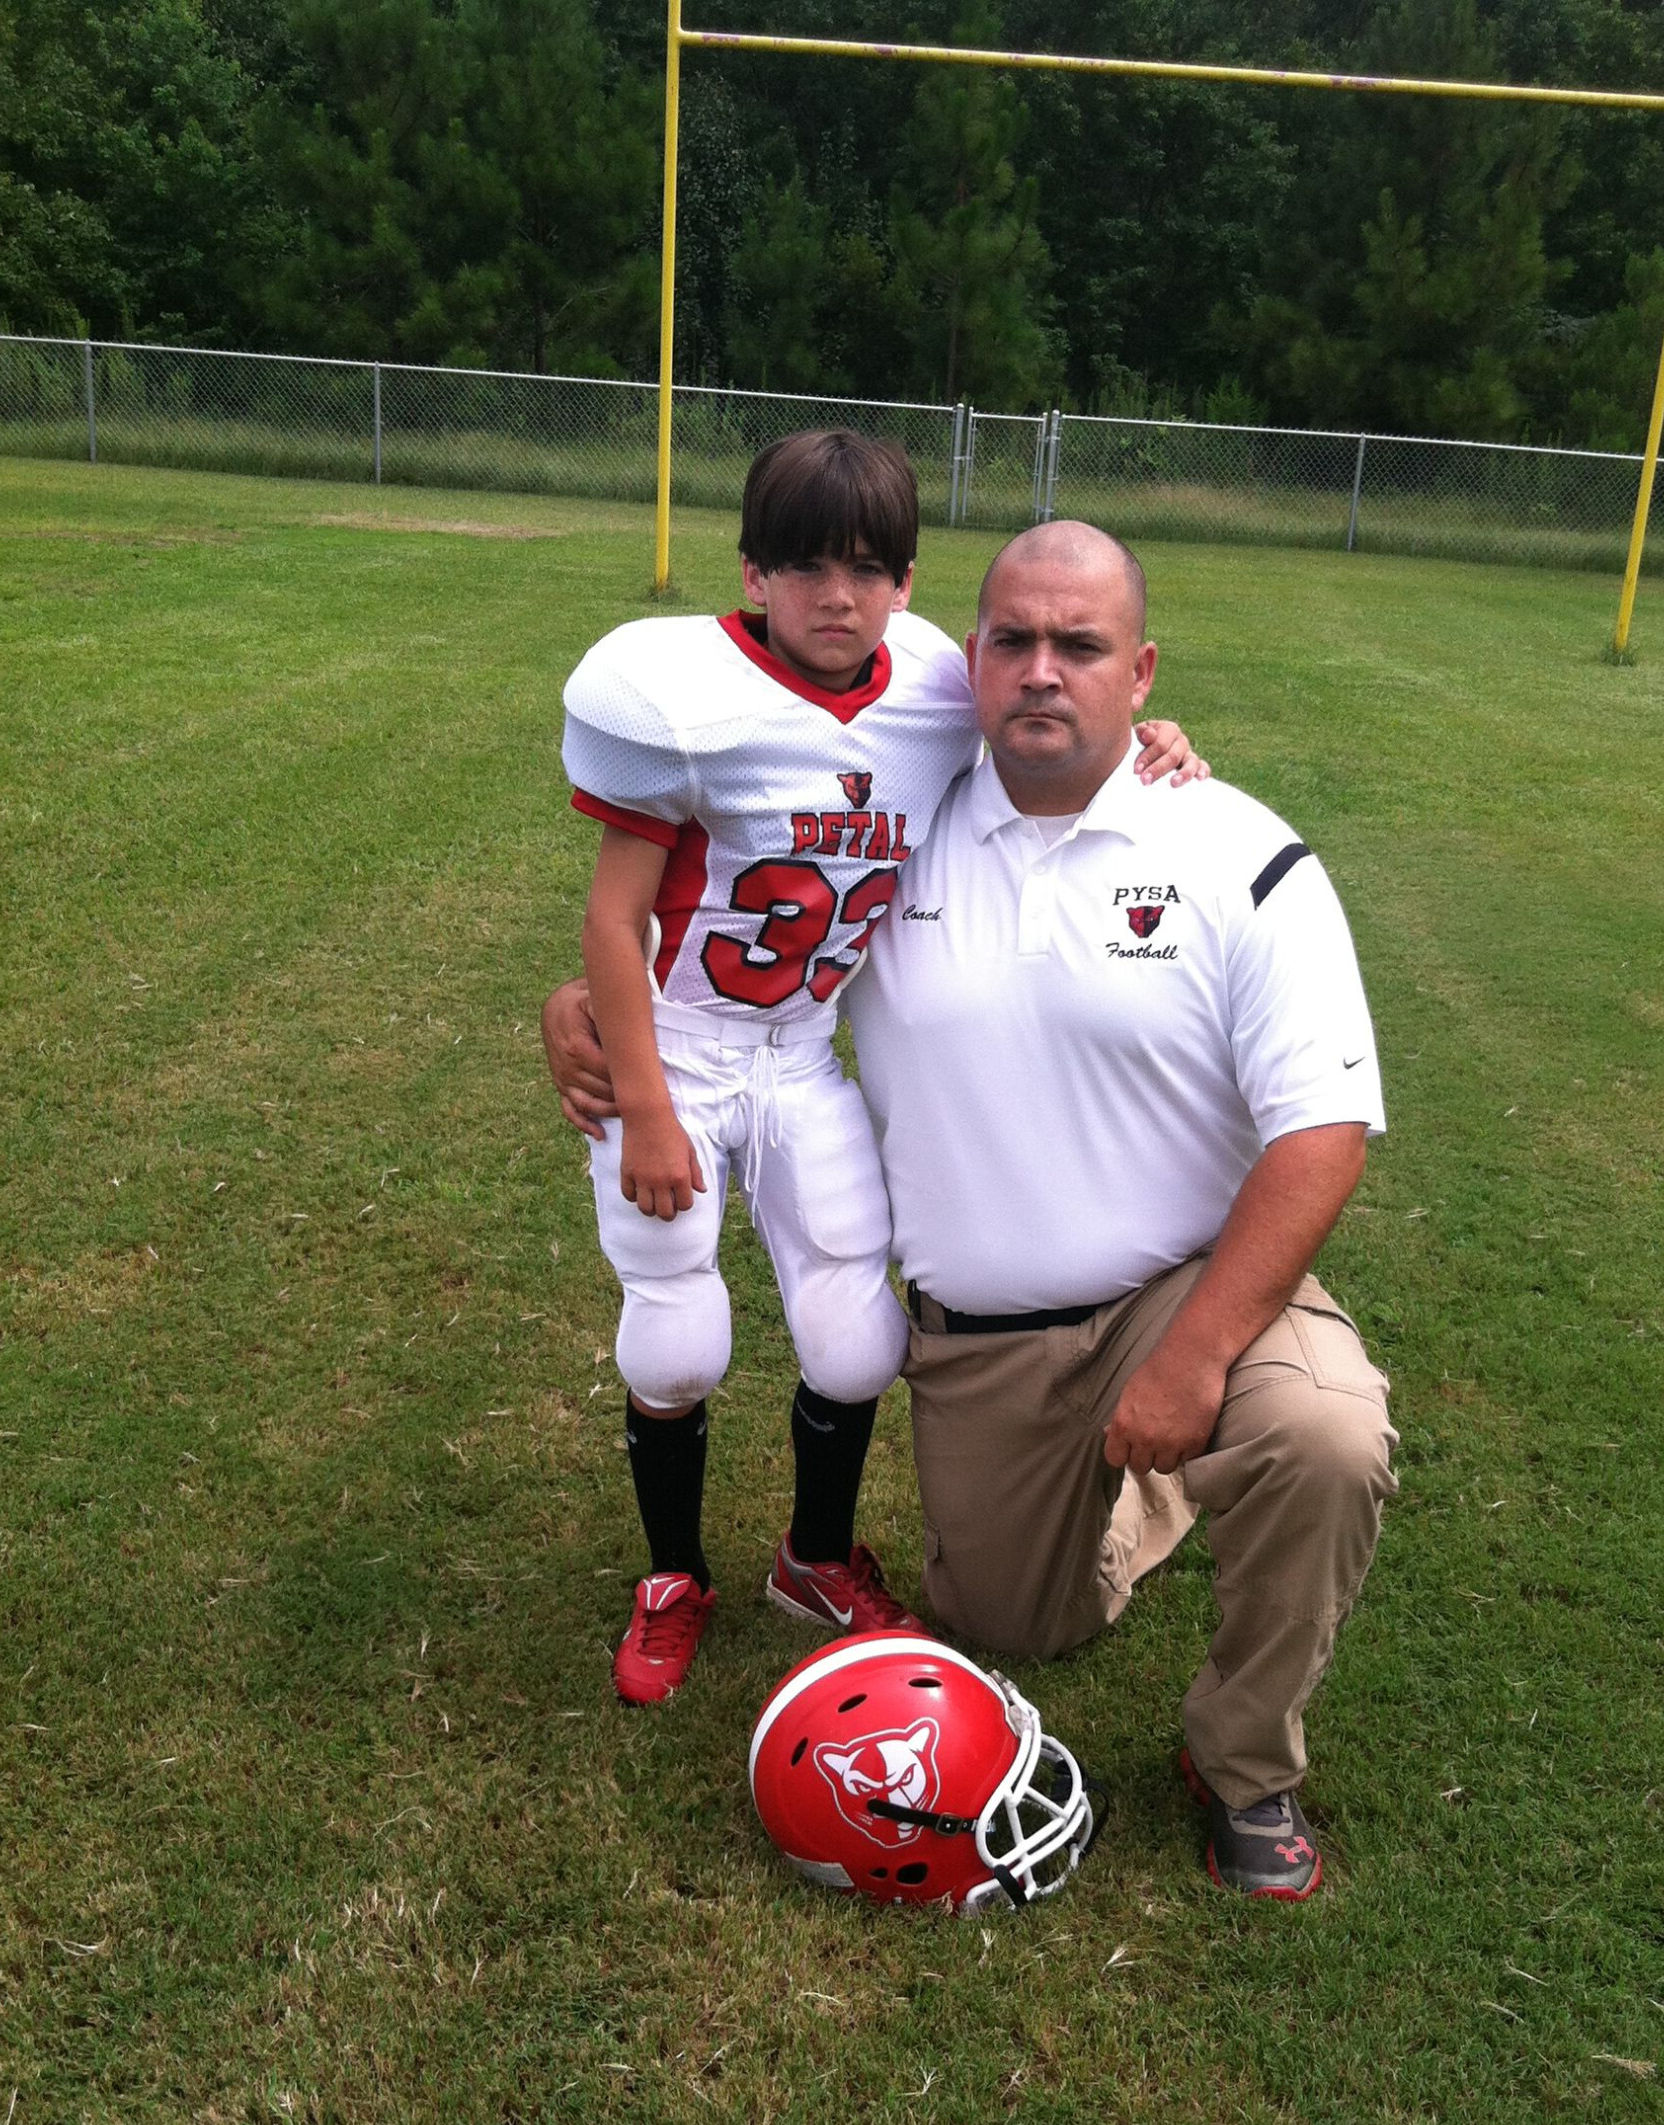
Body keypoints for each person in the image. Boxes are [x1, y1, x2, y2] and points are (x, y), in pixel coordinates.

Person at [547, 519, 1393, 1898]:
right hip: (984, 1333)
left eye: (1084, 647)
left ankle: (1246, 1765)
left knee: (1323, 1435)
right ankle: (1151, 1486)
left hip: (1182, 1288)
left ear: (1144, 671)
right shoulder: (900, 821)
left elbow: (1324, 1129)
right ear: (968, 662)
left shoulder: (1235, 849)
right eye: (1015, 642)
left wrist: (1191, 1358)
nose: (1043, 674)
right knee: (1010, 1627)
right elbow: (712, 929)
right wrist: (581, 1014)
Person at [559, 435, 1202, 1706]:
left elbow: (1048, 719)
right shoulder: (674, 692)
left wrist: (1148, 734)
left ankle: (808, 1556)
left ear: (907, 584)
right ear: (750, 570)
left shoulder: (935, 687)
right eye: (802, 565)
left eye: (866, 567)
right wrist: (641, 1103)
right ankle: (673, 1574)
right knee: (677, 1341)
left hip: (801, 1048)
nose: (836, 594)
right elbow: (609, 917)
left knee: (856, 1342)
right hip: (683, 1044)